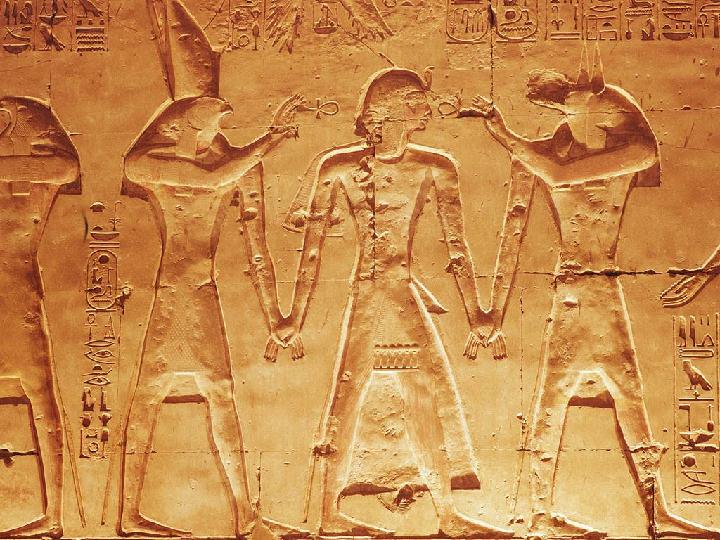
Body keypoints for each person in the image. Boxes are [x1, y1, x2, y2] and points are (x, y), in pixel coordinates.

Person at [460, 46, 720, 539]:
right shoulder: (548, 153)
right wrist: (490, 311)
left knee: (619, 395)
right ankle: (545, 513)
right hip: (578, 289)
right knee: (565, 396)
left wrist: (505, 136)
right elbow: (517, 222)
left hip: (600, 286)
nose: (612, 111)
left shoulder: (624, 153)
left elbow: (577, 168)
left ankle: (652, 512)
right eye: (570, 102)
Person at [274, 67, 512, 538]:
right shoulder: (338, 167)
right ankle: (329, 514)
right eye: (417, 102)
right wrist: (292, 322)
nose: (427, 109)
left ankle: (446, 515)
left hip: (400, 295)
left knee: (425, 398)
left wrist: (478, 316)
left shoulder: (435, 166)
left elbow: (456, 247)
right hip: (370, 296)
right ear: (388, 111)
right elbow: (312, 252)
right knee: (348, 399)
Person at [118, 0, 306, 536]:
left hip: (201, 291)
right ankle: (129, 514)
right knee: (150, 395)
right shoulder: (154, 164)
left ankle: (245, 514)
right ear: (184, 120)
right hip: (174, 292)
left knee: (219, 394)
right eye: (212, 116)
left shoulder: (230, 163)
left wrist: (277, 316)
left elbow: (256, 245)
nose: (220, 125)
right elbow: (207, 179)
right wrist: (267, 142)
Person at [0, 96, 81, 539]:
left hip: (18, 289)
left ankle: (53, 515)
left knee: (41, 397)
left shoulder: (26, 116)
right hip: (17, 289)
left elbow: (64, 168)